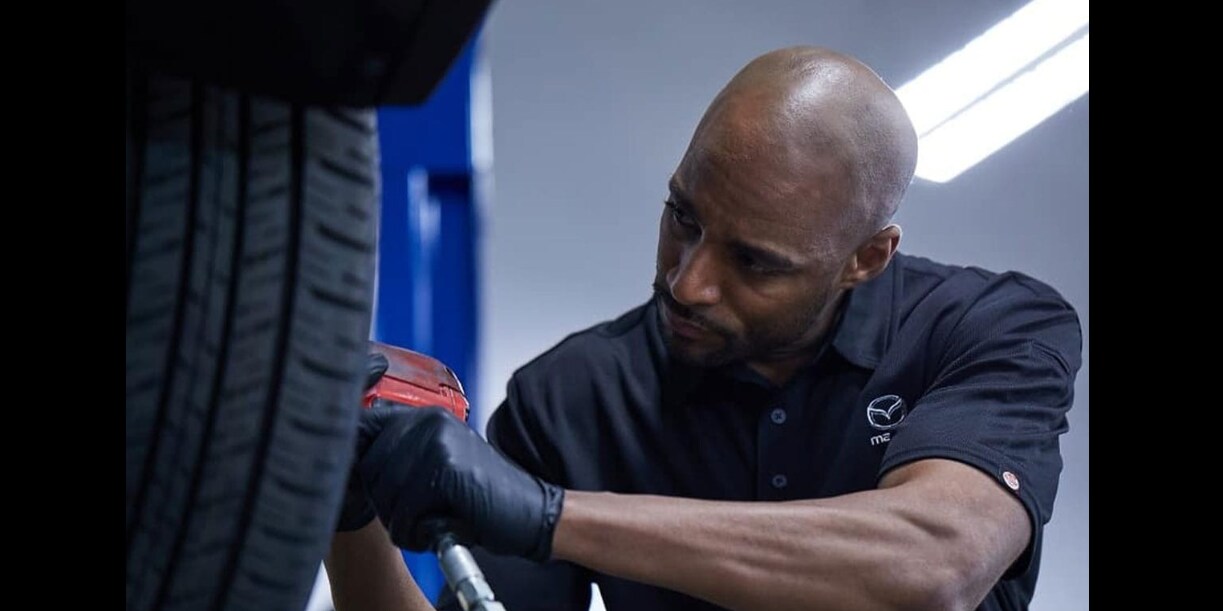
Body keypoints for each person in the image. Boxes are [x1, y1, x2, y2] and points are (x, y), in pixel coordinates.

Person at [326, 45, 1083, 611]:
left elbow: (936, 562)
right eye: (681, 217)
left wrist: (552, 516)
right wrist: (338, 499)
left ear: (864, 257)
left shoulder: (987, 329)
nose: (686, 282)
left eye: (754, 261)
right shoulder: (570, 396)